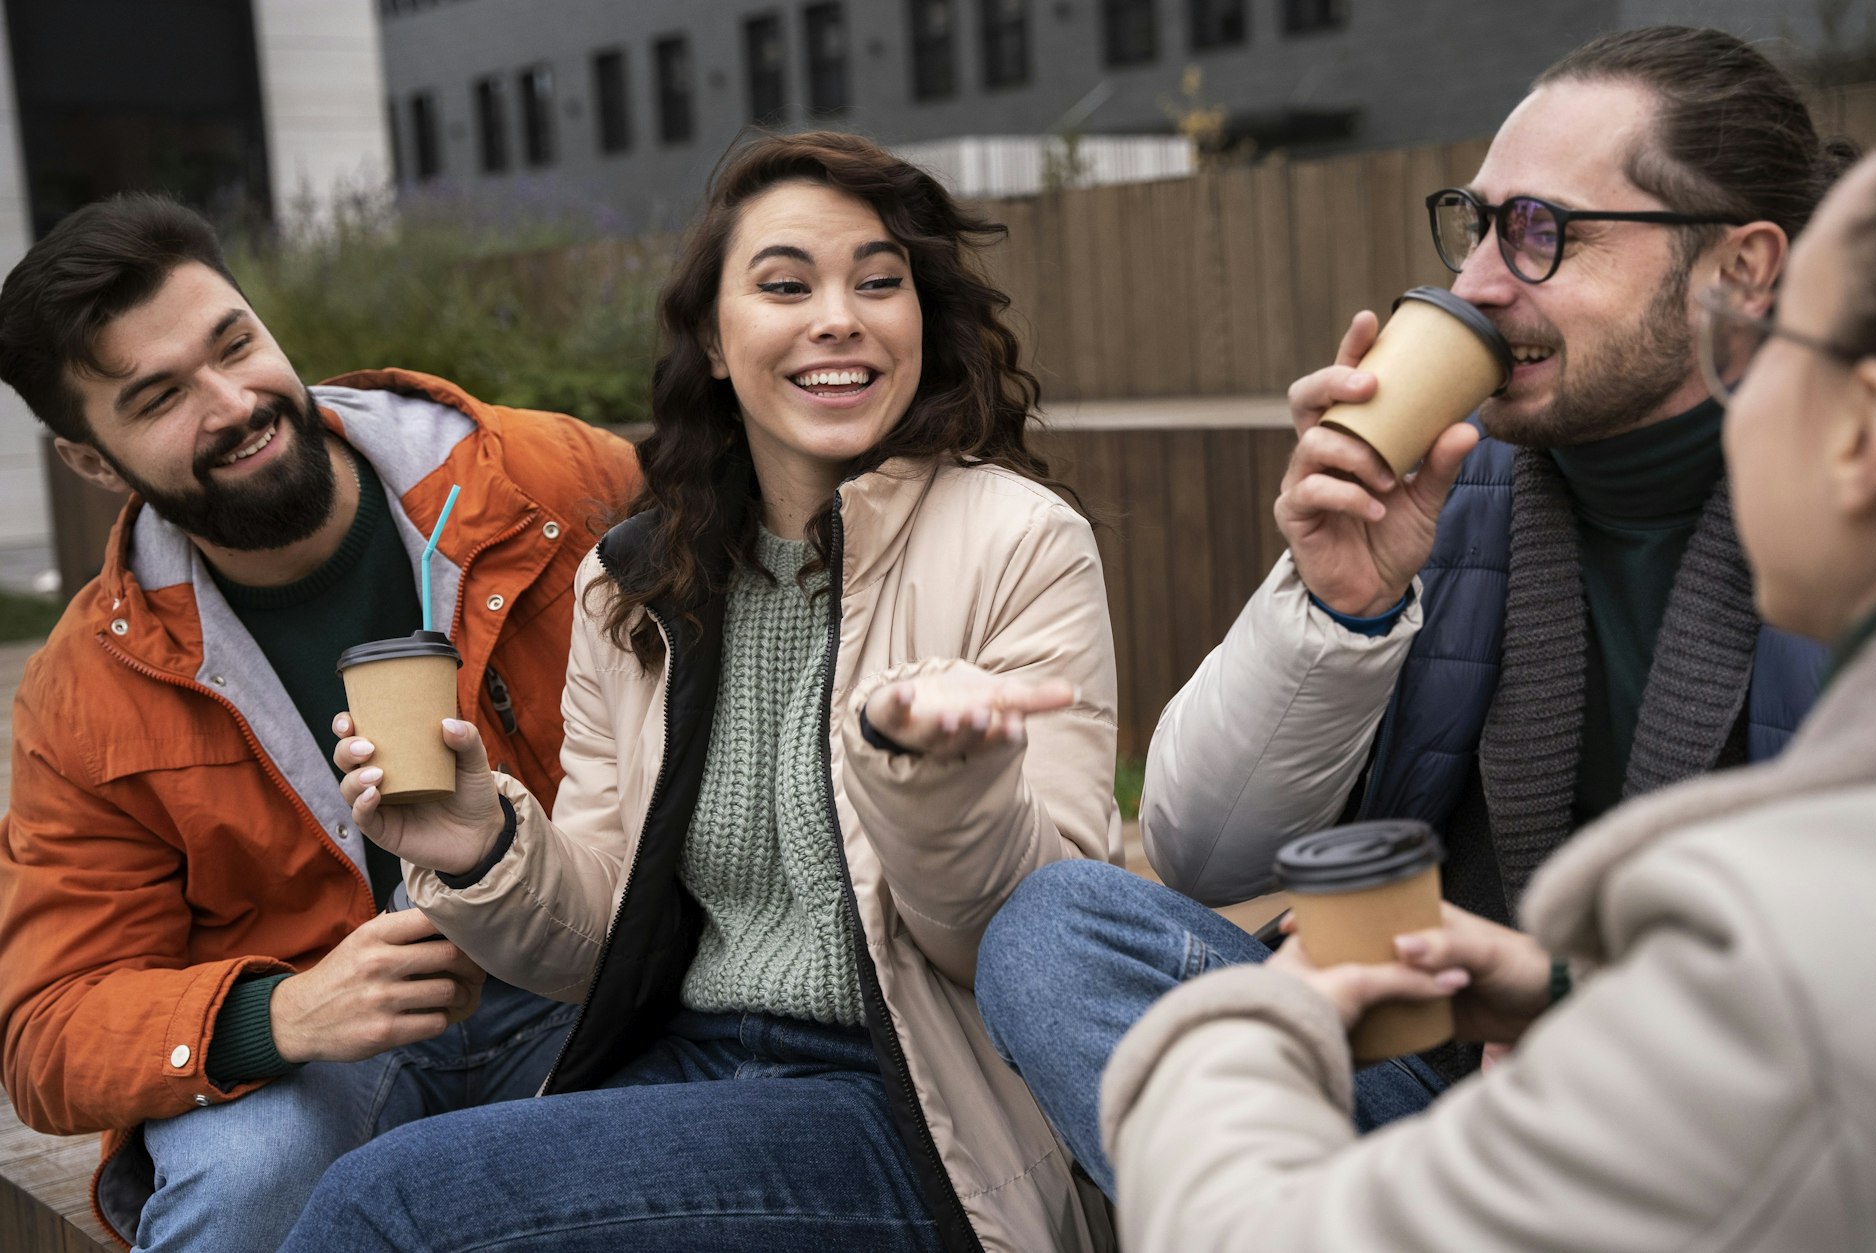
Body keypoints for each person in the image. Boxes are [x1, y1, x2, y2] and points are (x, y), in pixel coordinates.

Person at [976, 23, 1858, 1198]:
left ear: (1740, 269)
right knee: (1057, 931)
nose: (1480, 284)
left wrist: (1562, 995)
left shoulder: (1836, 515)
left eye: (1544, 233)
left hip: (1751, 1129)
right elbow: (1197, 851)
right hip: (1447, 1096)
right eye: (1478, 224)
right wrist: (1336, 603)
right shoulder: (1450, 487)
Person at [277, 131, 1121, 1253]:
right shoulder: (635, 581)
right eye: (785, 285)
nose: (840, 316)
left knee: (385, 1205)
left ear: (922, 322)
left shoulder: (1018, 543)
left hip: (911, 1106)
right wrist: (478, 844)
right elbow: (595, 940)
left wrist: (941, 783)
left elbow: (1028, 954)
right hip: (695, 1065)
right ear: (716, 345)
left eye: (880, 281)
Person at [0, 193, 640, 1250]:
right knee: (249, 1175)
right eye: (158, 396)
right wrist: (280, 1016)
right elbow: (48, 1028)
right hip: (321, 1053)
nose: (232, 402)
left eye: (235, 343)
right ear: (92, 461)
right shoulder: (85, 688)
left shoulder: (552, 486)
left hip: (585, 978)